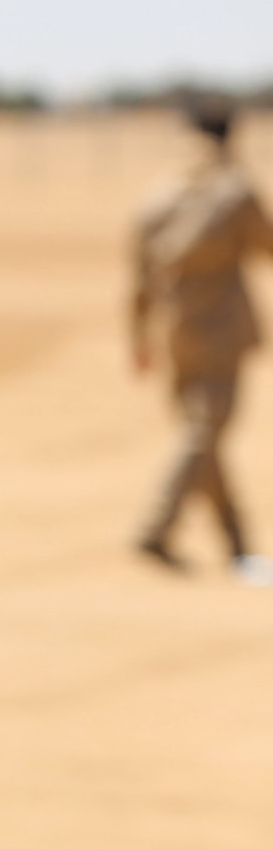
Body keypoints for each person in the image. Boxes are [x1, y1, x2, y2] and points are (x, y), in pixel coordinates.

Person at [132, 100, 273, 582]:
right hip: (221, 331)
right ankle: (157, 527)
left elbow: (139, 279)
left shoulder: (160, 194)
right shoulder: (232, 191)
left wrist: (138, 336)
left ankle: (238, 547)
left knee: (204, 437)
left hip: (172, 330)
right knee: (203, 434)